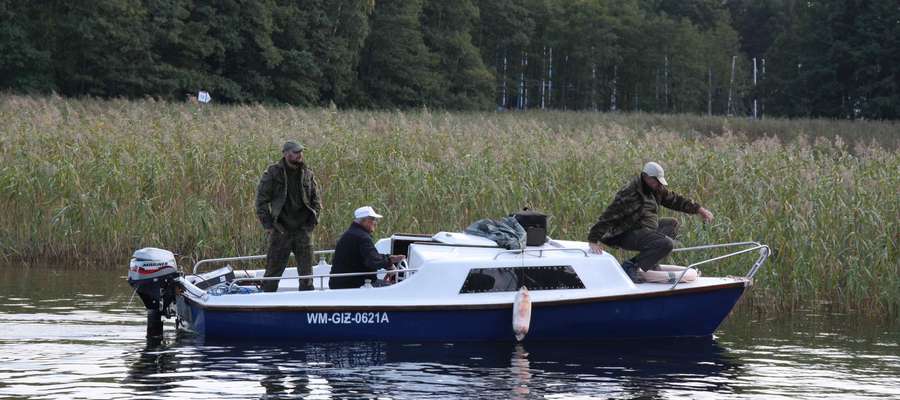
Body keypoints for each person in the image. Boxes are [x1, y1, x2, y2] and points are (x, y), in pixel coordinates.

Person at [588, 161, 713, 283]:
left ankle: (650, 263)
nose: (659, 185)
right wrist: (593, 239)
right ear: (645, 177)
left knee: (671, 224)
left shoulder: (656, 189)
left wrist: (699, 209)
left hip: (644, 229)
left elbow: (675, 200)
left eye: (660, 182)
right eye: (656, 181)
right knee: (666, 244)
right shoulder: (630, 193)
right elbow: (609, 215)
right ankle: (630, 266)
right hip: (626, 234)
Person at [256, 141, 321, 292]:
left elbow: (316, 200)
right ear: (286, 154)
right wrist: (269, 226)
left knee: (307, 276)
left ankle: (306, 308)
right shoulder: (273, 173)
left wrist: (312, 223)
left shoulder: (307, 173)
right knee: (272, 274)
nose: (300, 155)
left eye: (301, 152)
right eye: (296, 152)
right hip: (281, 230)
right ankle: (265, 306)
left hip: (303, 230)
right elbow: (261, 201)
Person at [329, 206, 406, 289]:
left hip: (340, 282)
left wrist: (388, 261)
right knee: (394, 288)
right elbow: (373, 261)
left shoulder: (352, 233)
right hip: (353, 284)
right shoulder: (362, 237)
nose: (375, 222)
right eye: (372, 219)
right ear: (364, 221)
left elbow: (368, 256)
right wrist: (390, 261)